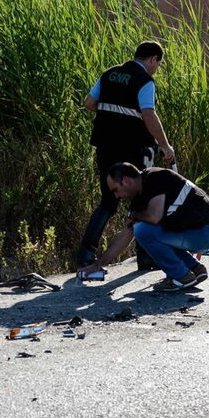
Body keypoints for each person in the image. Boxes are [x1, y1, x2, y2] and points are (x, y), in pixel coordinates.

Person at [77, 40, 175, 269]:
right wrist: (165, 145)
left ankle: (85, 255)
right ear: (153, 59)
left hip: (105, 146)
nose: (156, 69)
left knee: (108, 201)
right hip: (134, 147)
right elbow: (149, 115)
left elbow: (89, 103)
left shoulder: (109, 74)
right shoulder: (145, 80)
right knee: (142, 201)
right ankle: (146, 257)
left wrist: (112, 116)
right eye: (157, 64)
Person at [77, 162, 209, 291]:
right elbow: (125, 235)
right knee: (149, 230)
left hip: (207, 231)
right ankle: (195, 267)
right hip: (195, 232)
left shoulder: (155, 178)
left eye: (115, 190)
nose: (116, 196)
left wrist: (134, 216)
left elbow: (154, 217)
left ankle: (181, 276)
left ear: (126, 180)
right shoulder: (138, 198)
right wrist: (98, 265)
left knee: (143, 230)